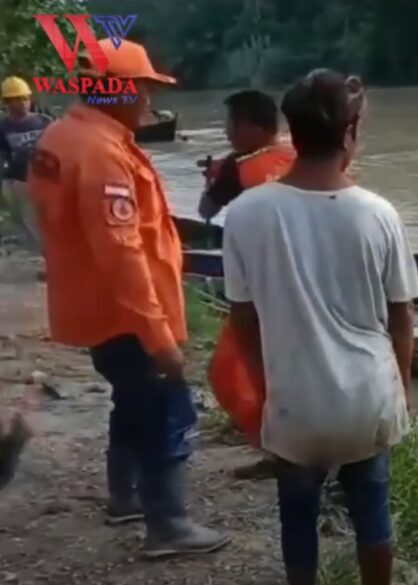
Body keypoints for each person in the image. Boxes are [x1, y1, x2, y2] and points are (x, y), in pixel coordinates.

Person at [27, 40, 230, 557]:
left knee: (131, 402)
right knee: (167, 410)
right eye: (141, 89)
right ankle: (169, 524)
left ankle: (126, 496)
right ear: (116, 91)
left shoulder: (64, 136)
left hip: (95, 306)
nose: (147, 101)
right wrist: (159, 336)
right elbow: (121, 254)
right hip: (128, 313)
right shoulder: (101, 155)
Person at [222, 69, 418, 585]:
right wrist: (403, 387)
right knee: (372, 511)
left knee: (297, 514)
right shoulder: (379, 214)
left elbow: (242, 318)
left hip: (294, 401)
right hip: (368, 397)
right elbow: (402, 315)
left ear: (293, 130)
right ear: (350, 132)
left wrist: (265, 390)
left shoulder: (245, 214)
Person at [197, 89, 295, 221]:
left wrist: (212, 180)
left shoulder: (238, 164)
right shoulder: (302, 151)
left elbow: (206, 211)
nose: (227, 132)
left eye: (231, 124)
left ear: (253, 128)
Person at [1, 76, 52, 252]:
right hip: (21, 181)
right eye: (17, 100)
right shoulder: (4, 127)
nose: (23, 104)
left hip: (48, 180)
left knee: (54, 222)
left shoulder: (44, 121)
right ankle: (49, 262)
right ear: (7, 103)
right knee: (33, 226)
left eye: (24, 98)